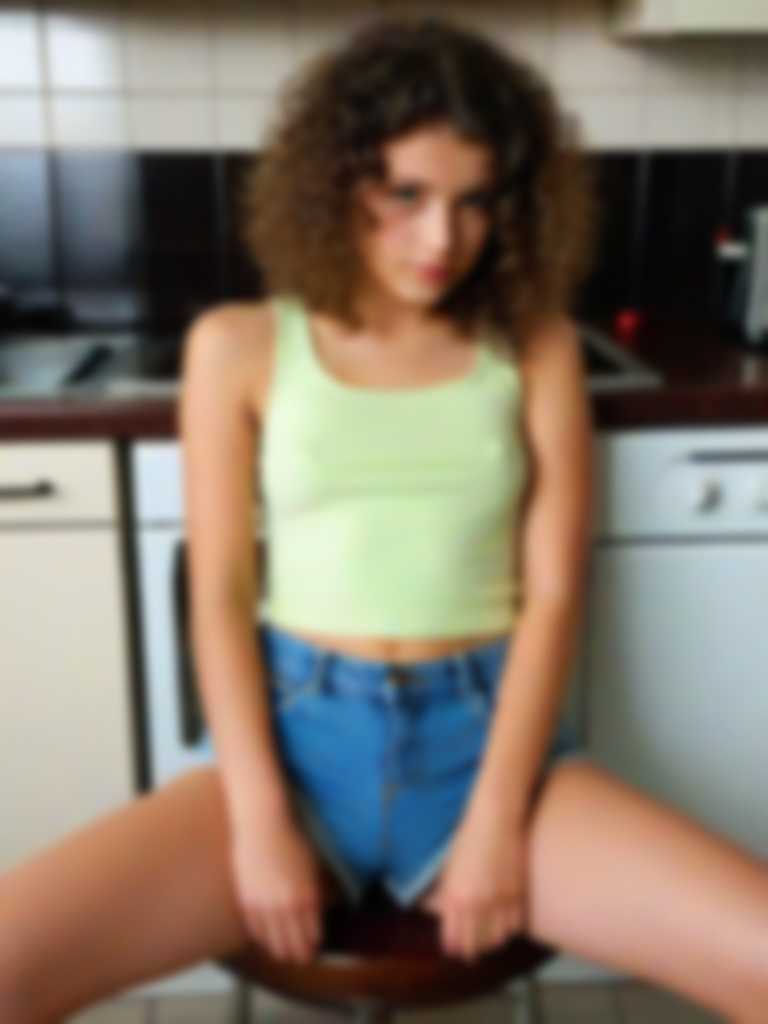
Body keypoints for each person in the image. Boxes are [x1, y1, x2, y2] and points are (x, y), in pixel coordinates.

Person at [1, 14, 767, 1024]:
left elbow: (553, 594)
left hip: (487, 746)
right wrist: (260, 821)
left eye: (475, 201)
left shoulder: (535, 346)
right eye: (406, 194)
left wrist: (494, 823)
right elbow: (221, 596)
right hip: (297, 746)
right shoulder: (236, 345)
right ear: (334, 184)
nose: (442, 239)